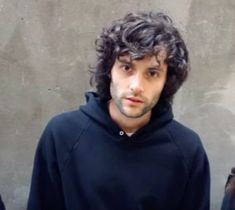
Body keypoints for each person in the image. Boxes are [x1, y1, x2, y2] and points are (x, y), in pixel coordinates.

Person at [27, 11, 210, 210]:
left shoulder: (188, 149)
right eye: (126, 67)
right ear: (109, 70)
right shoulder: (62, 134)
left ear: (166, 81)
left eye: (152, 73)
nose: (136, 86)